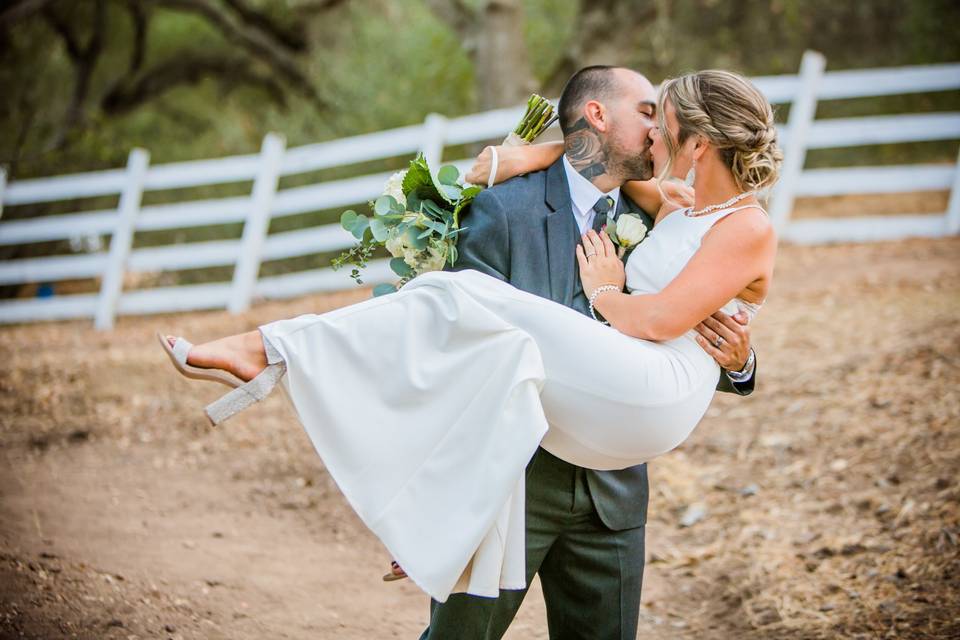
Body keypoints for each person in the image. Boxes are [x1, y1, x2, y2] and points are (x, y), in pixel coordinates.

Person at [157, 68, 779, 623]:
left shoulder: (670, 212)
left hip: (613, 486)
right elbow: (454, 358)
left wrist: (733, 357)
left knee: (459, 296)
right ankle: (275, 350)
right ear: (597, 116)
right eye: (645, 112)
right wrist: (437, 502)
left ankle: (273, 349)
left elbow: (683, 322)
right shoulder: (517, 214)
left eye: (661, 120)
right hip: (512, 482)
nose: (654, 133)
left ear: (697, 141)